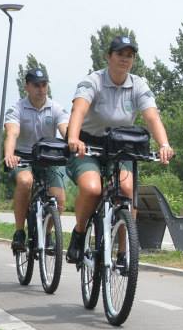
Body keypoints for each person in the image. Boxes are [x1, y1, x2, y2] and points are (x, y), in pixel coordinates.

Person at [64, 35, 174, 264]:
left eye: (130, 55)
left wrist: (164, 144)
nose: (125, 59)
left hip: (121, 146)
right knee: (92, 189)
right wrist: (73, 138)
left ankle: (125, 253)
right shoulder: (93, 81)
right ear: (108, 57)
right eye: (120, 54)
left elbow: (152, 117)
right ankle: (80, 232)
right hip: (88, 144)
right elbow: (79, 111)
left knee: (126, 189)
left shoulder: (138, 84)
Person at [3, 67, 70, 251]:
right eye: (36, 85)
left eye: (44, 84)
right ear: (27, 87)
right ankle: (19, 232)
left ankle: (47, 233)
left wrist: (72, 142)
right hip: (23, 156)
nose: (41, 89)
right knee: (25, 181)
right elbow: (12, 133)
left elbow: (65, 129)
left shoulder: (55, 107)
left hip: (48, 156)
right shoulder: (17, 108)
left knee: (60, 198)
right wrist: (9, 154)